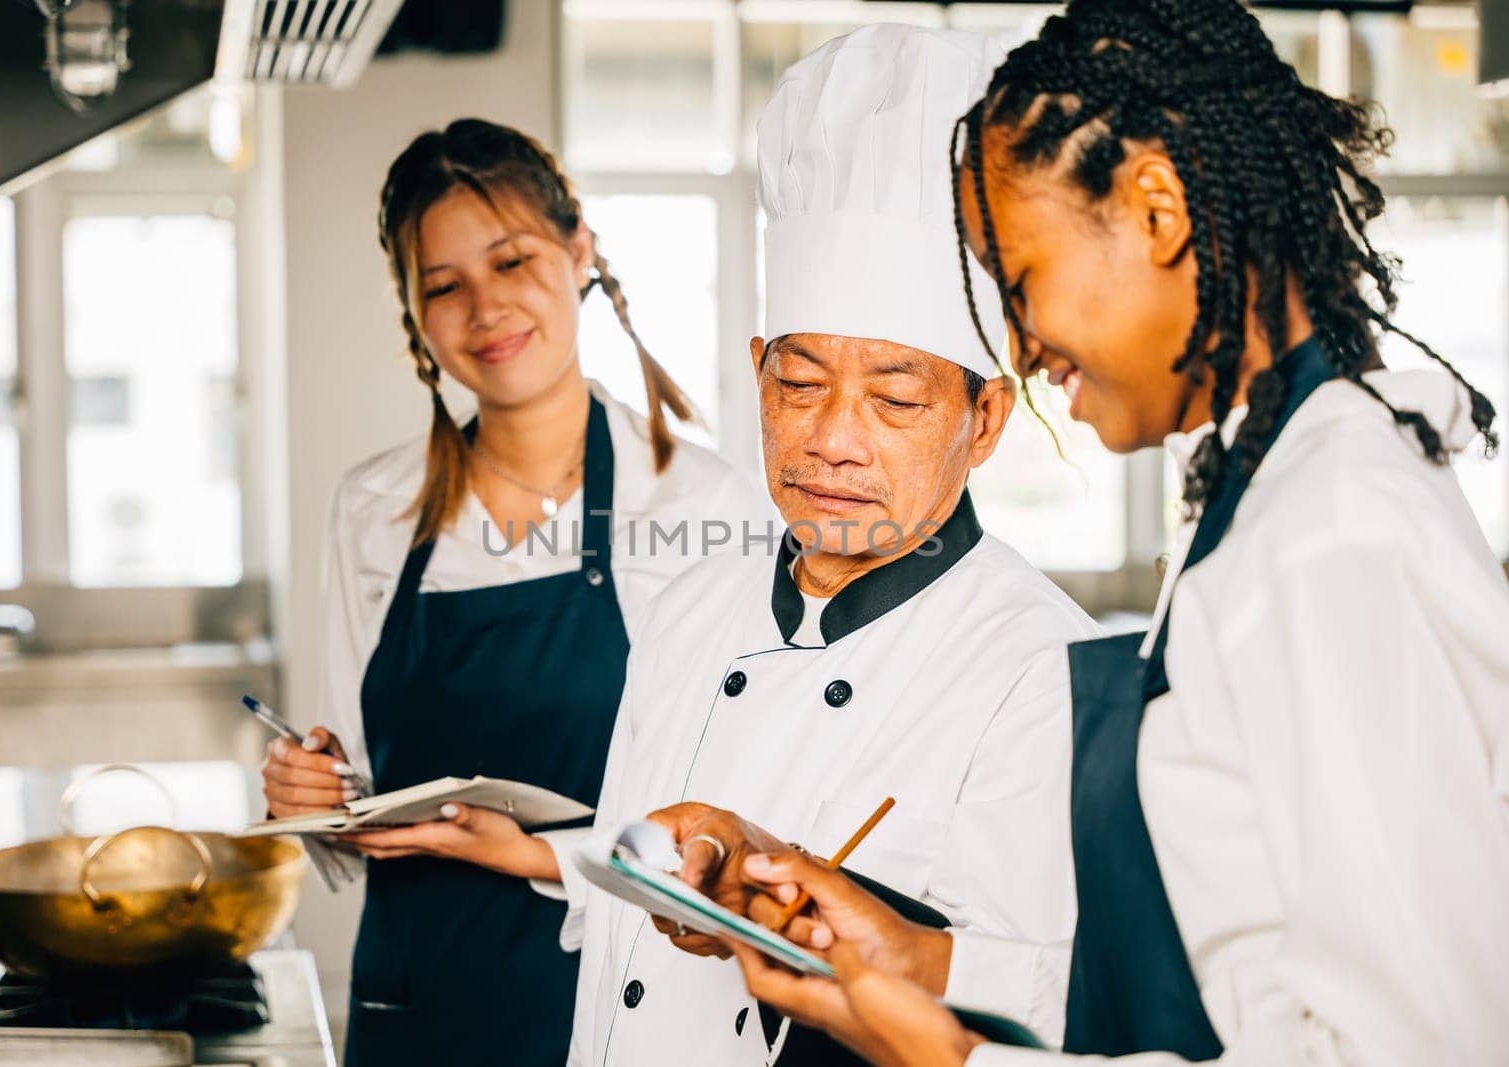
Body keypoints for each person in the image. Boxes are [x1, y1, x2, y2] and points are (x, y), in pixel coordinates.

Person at [724, 2, 1509, 1065]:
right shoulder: (1270, 484)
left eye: (1021, 279)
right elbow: (1229, 982)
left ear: (1155, 210)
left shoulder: (1337, 533)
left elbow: (1413, 1046)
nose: (1020, 338)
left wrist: (955, 1058)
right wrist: (926, 961)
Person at [562, 25, 1101, 1066]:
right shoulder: (685, 607)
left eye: (895, 397)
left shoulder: (1042, 668)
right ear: (756, 368)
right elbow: (607, 948)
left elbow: (1029, 1010)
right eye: (799, 383)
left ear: (985, 418)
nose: (831, 437)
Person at [259, 118, 769, 1065]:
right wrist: (311, 787)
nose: (484, 309)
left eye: (510, 262)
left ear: (581, 252)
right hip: (416, 1008)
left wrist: (533, 852)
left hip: (625, 1009)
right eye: (443, 287)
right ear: (414, 313)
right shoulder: (374, 508)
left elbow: (742, 821)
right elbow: (353, 792)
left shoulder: (706, 506)